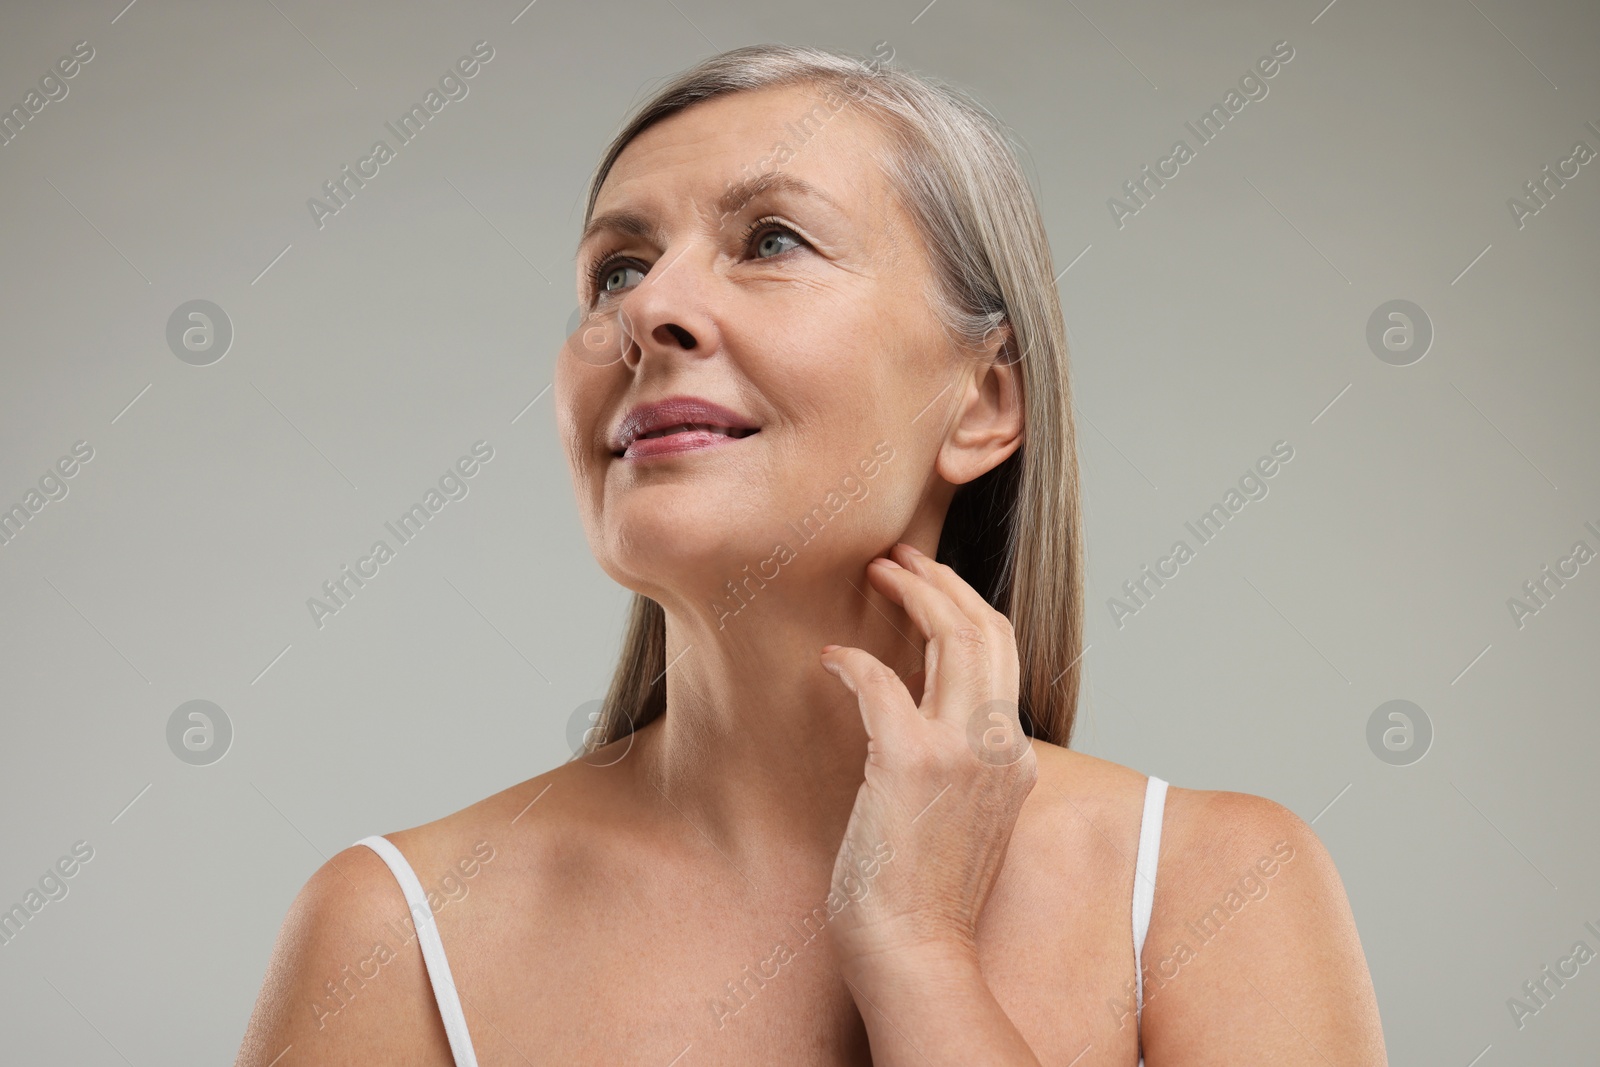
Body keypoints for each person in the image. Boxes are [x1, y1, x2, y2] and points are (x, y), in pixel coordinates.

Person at [235, 44, 1387, 1065]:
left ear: (982, 403)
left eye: (770, 240)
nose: (646, 312)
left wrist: (916, 948)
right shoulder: (391, 931)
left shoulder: (1221, 889)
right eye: (617, 270)